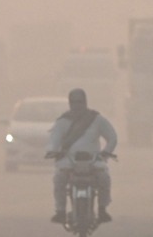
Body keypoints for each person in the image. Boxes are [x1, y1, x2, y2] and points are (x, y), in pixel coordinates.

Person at [46, 88, 118, 224]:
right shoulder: (62, 121)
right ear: (69, 103)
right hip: (69, 160)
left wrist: (105, 153)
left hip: (93, 159)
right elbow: (54, 140)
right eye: (74, 102)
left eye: (80, 102)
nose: (77, 105)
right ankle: (60, 211)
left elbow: (112, 137)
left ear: (85, 102)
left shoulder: (96, 119)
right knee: (59, 178)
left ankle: (102, 210)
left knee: (104, 178)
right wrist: (52, 150)